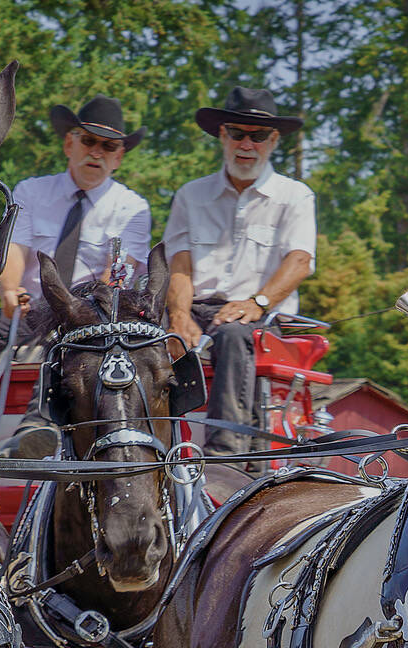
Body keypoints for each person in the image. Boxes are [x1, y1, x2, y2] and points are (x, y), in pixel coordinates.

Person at [0, 95, 151, 456]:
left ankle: (36, 429)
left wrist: (82, 302)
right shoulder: (31, 191)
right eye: (88, 141)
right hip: (27, 309)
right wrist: (8, 291)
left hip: (86, 317)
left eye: (108, 146)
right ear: (70, 144)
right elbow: (14, 250)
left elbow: (119, 274)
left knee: (71, 329)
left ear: (119, 157)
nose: (96, 152)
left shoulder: (133, 209)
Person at [162, 86, 316, 457]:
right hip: (198, 308)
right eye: (237, 133)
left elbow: (299, 262)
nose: (247, 144)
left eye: (258, 135)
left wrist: (257, 302)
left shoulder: (295, 196)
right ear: (222, 136)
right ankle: (141, 451)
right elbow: (179, 264)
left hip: (263, 316)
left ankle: (225, 454)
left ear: (274, 140)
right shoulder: (190, 195)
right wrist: (178, 317)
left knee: (232, 333)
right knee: (136, 337)